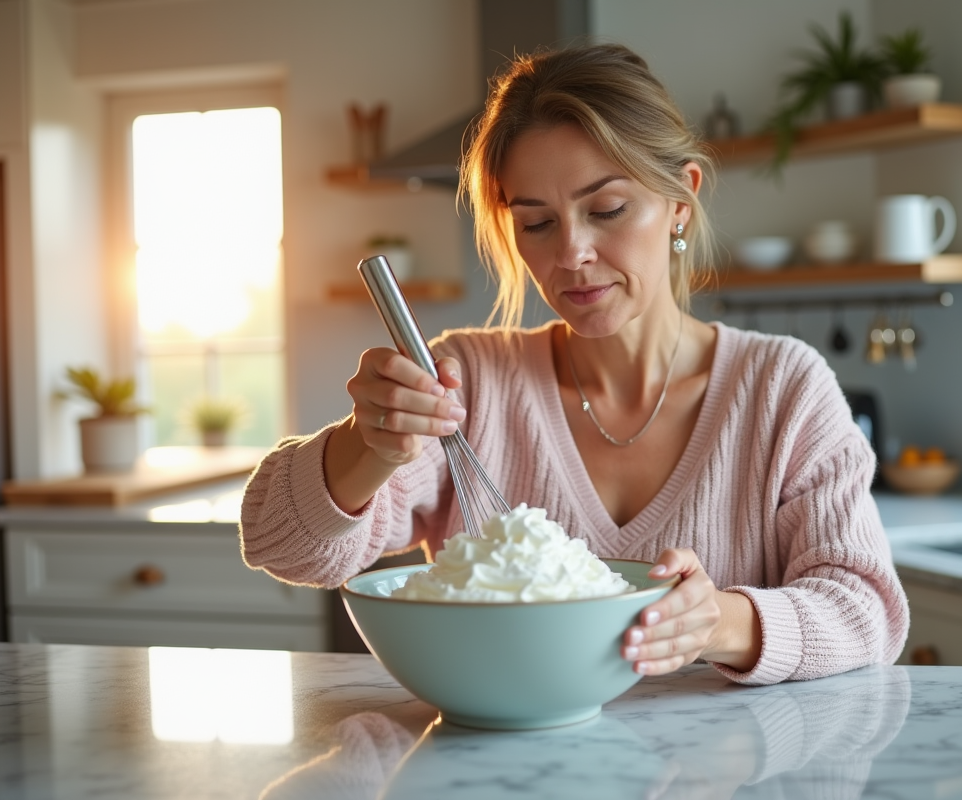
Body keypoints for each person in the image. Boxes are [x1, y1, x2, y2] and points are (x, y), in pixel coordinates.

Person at [241, 43, 908, 685]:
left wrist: (718, 623)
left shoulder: (783, 390)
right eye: (536, 223)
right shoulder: (468, 382)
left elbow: (867, 611)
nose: (572, 253)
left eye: (607, 209)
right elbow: (280, 543)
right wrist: (370, 445)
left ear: (681, 200)